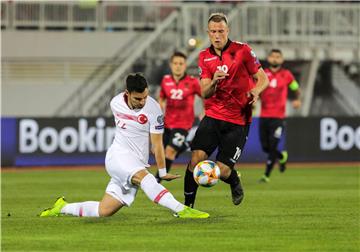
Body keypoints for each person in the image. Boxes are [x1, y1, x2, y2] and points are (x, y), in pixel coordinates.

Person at [40, 73, 209, 219]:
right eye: (137, 98)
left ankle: (61, 207)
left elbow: (156, 144)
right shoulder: (115, 103)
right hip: (118, 157)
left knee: (104, 210)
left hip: (136, 162)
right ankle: (182, 210)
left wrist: (163, 172)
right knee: (146, 178)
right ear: (127, 93)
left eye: (145, 97)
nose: (142, 102)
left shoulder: (154, 109)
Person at [183, 13, 269, 208]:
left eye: (221, 31)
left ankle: (234, 180)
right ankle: (187, 207)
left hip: (238, 120)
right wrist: (214, 81)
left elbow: (263, 78)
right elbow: (205, 92)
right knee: (196, 159)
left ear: (227, 31)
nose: (217, 35)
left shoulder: (243, 51)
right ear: (208, 33)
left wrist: (255, 91)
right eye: (213, 32)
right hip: (213, 116)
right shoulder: (204, 56)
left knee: (221, 170)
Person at [155, 51, 202, 183]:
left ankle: (157, 180)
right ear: (171, 65)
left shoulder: (192, 82)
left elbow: (205, 96)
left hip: (183, 124)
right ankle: (186, 144)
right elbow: (162, 97)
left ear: (185, 65)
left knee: (169, 152)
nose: (178, 66)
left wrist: (205, 111)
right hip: (167, 123)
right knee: (163, 153)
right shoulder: (166, 80)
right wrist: (160, 110)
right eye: (175, 63)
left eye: (181, 63)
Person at [258, 49, 301, 183]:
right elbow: (257, 89)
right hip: (264, 116)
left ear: (282, 60)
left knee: (272, 144)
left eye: (278, 57)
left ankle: (266, 175)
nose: (275, 59)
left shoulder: (287, 75)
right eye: (273, 56)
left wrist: (297, 99)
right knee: (265, 147)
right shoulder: (262, 74)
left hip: (278, 117)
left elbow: (296, 88)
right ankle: (282, 156)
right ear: (269, 58)